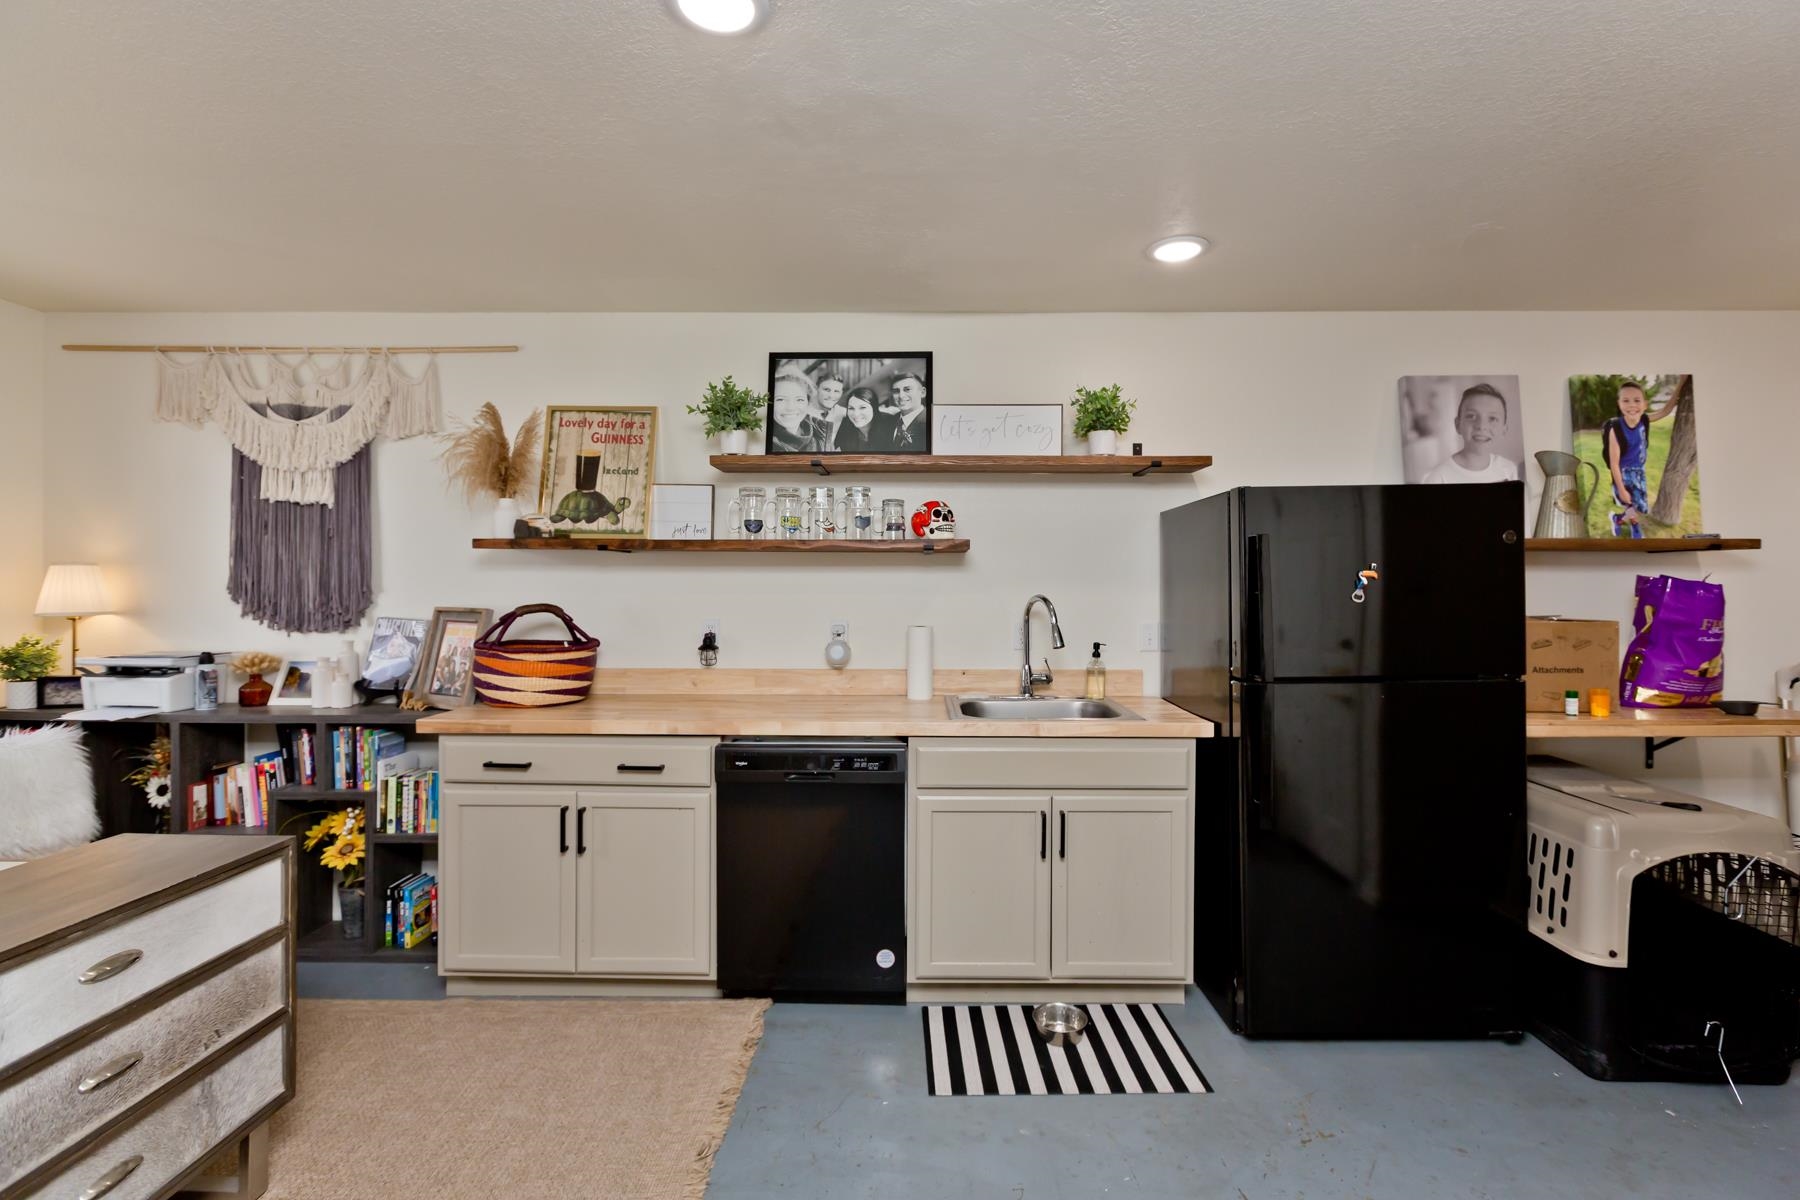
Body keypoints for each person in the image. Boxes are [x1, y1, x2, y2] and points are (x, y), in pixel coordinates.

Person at [1602, 379, 1680, 538]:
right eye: (1626, 400)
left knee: (1639, 506)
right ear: (1619, 404)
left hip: (1639, 472)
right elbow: (1614, 464)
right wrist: (1622, 488)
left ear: (1645, 404)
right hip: (1623, 473)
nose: (1632, 405)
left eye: (1637, 400)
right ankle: (1635, 528)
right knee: (1629, 502)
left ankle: (1617, 519)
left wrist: (1680, 384)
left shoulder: (1645, 419)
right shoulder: (1615, 429)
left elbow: (1666, 410)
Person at [1420, 383, 1518, 483]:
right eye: (1471, 416)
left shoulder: (1509, 469)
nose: (1481, 426)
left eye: (1492, 418)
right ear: (1458, 425)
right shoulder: (1437, 477)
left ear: (1504, 429)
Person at [768, 370, 824, 452]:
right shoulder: (764, 440)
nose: (790, 407)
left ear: (808, 403)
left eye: (799, 400)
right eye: (780, 399)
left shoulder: (822, 436)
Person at [884, 371, 929, 451]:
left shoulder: (931, 423)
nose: (901, 396)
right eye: (896, 391)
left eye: (907, 389)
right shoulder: (889, 422)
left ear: (922, 392)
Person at [833, 387, 887, 451]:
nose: (856, 414)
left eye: (862, 407)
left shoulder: (888, 427)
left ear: (874, 408)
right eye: (851, 408)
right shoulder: (844, 427)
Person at [812, 373, 848, 444]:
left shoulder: (844, 413)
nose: (831, 396)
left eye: (836, 391)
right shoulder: (801, 412)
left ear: (841, 393)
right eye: (826, 390)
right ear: (816, 389)